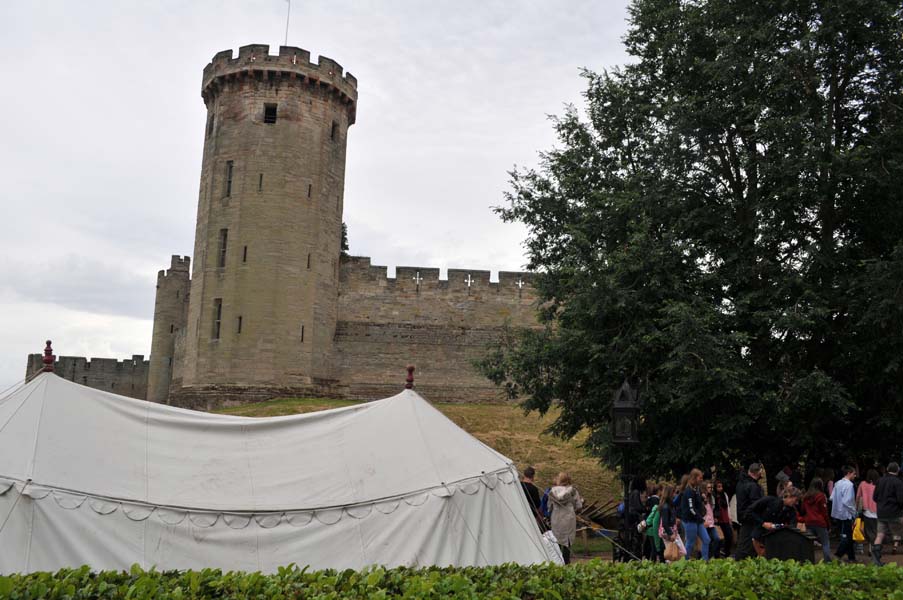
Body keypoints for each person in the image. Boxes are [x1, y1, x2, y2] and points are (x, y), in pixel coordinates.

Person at [748, 488, 803, 556]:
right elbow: (750, 511)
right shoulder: (769, 500)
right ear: (789, 496)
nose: (797, 503)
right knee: (761, 557)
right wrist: (763, 523)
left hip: (776, 539)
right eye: (796, 500)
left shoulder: (792, 511)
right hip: (760, 536)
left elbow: (792, 526)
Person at [872, 462, 903, 566]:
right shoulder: (898, 482)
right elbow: (901, 500)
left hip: (881, 513)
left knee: (879, 535)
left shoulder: (880, 480)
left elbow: (874, 497)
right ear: (897, 470)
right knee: (899, 531)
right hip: (895, 513)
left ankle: (876, 561)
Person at [549, 472, 583, 564]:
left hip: (556, 519)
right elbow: (579, 506)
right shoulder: (573, 491)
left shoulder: (552, 492)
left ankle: (557, 562)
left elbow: (549, 508)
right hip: (569, 518)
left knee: (557, 541)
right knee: (567, 542)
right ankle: (566, 562)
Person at [734, 463, 765, 559]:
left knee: (745, 542)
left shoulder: (741, 483)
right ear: (758, 472)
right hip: (751, 518)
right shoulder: (753, 486)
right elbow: (756, 505)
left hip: (743, 517)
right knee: (748, 545)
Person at [680, 468, 710, 560]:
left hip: (697, 520)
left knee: (706, 539)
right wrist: (701, 519)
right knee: (690, 542)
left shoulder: (696, 488)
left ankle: (705, 561)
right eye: (700, 478)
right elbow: (691, 509)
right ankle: (684, 561)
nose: (702, 479)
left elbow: (696, 503)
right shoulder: (688, 491)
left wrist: (702, 498)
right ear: (695, 478)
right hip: (690, 520)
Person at [800, 477, 831, 563]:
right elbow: (824, 512)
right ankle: (828, 562)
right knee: (825, 543)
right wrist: (828, 525)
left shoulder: (806, 497)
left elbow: (802, 510)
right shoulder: (821, 496)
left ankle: (808, 560)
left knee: (809, 543)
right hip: (820, 522)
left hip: (809, 522)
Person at [830, 465, 858, 563]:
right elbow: (847, 501)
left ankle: (851, 557)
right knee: (848, 537)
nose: (855, 476)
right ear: (849, 473)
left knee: (847, 536)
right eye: (854, 474)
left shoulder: (837, 483)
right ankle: (838, 555)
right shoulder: (849, 485)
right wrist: (854, 512)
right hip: (846, 514)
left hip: (837, 513)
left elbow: (832, 497)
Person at [857, 469, 879, 556]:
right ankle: (875, 549)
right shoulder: (879, 484)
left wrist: (856, 508)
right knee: (877, 531)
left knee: (869, 531)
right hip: (879, 511)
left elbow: (858, 496)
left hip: (867, 511)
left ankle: (871, 548)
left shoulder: (862, 484)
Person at [702, 481, 722, 559]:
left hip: (711, 522)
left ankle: (713, 555)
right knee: (707, 540)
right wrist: (703, 521)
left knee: (716, 538)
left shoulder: (711, 497)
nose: (710, 489)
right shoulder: (701, 498)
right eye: (709, 487)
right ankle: (707, 557)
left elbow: (714, 509)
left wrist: (716, 516)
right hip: (705, 523)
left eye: (711, 487)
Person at [714, 480, 733, 558]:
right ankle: (718, 553)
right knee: (720, 537)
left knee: (729, 535)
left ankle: (726, 551)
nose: (720, 488)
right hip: (719, 519)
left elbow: (727, 506)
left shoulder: (724, 495)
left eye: (721, 487)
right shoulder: (714, 496)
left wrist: (730, 517)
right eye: (718, 487)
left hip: (725, 518)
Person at [658, 484, 678, 561]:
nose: (674, 494)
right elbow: (665, 523)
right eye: (673, 492)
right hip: (669, 531)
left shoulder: (669, 505)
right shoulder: (666, 507)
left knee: (672, 552)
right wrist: (671, 533)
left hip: (671, 530)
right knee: (670, 553)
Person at [644, 484, 663, 561]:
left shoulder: (649, 500)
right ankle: (653, 562)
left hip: (649, 526)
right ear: (659, 491)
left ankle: (649, 559)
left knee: (650, 546)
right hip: (653, 526)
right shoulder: (657, 501)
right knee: (654, 548)